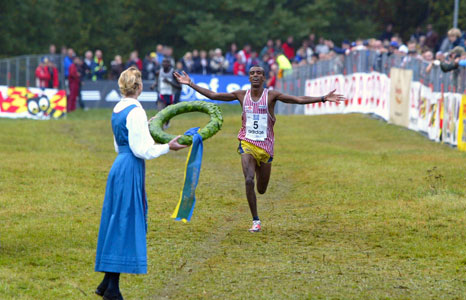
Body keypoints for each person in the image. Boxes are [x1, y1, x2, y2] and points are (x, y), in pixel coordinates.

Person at [173, 66, 344, 232]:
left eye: (259, 73)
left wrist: (322, 98)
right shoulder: (241, 95)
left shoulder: (271, 96)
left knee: (261, 189)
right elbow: (213, 94)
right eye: (252, 73)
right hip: (247, 143)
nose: (255, 75)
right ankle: (256, 220)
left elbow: (298, 100)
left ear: (264, 78)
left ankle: (257, 202)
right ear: (249, 78)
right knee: (248, 179)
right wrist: (190, 83)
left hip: (266, 147)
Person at [94, 67, 187, 300]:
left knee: (116, 220)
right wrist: (168, 146)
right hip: (130, 168)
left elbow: (121, 144)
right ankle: (112, 289)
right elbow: (142, 149)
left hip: (119, 165)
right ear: (139, 87)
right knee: (124, 222)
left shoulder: (118, 108)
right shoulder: (136, 110)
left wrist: (146, 127)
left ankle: (107, 282)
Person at [151, 58, 181, 128]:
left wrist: (169, 82)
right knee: (160, 112)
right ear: (162, 64)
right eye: (164, 62)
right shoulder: (158, 72)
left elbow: (179, 87)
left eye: (167, 62)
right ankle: (160, 127)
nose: (165, 64)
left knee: (167, 114)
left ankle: (167, 123)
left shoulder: (173, 73)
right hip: (161, 95)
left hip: (170, 96)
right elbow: (157, 81)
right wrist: (153, 85)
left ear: (170, 64)